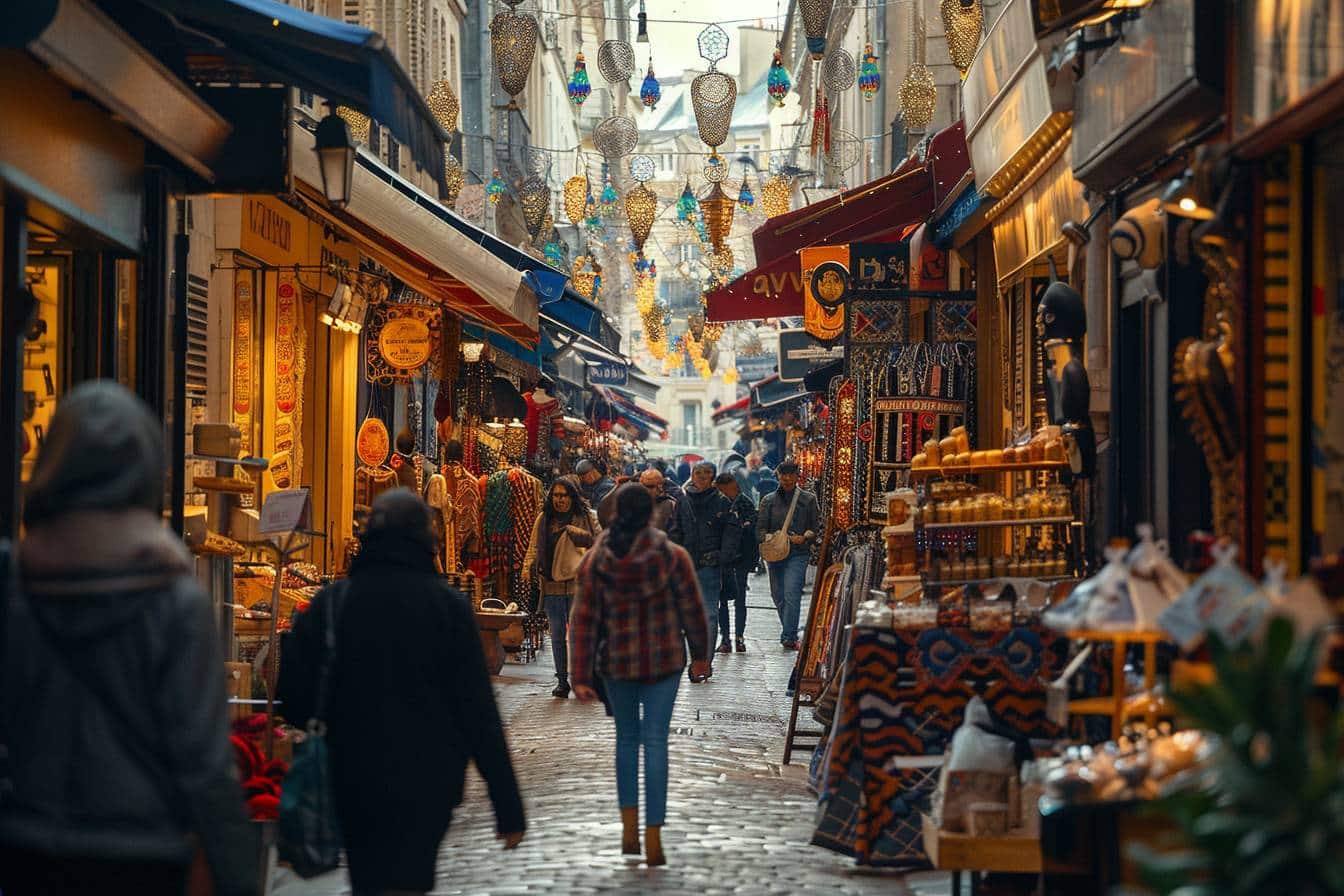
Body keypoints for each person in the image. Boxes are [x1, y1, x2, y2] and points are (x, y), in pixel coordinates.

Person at [0, 381, 254, 896]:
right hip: (144, 854)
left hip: (29, 851)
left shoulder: (17, 584)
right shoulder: (174, 599)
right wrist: (236, 873)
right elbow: (205, 763)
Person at [279, 489, 525, 895]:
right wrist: (507, 804)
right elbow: (477, 709)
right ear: (426, 540)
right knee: (413, 878)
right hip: (429, 779)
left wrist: (330, 720)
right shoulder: (448, 608)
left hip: (353, 773)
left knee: (368, 877)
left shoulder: (333, 604)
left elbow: (293, 694)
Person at [569, 484, 711, 867]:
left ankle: (629, 828)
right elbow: (693, 610)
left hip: (618, 661)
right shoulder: (672, 557)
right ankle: (654, 836)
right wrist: (701, 655)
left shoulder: (599, 560)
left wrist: (579, 673)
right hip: (664, 660)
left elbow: (583, 619)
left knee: (627, 741)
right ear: (652, 514)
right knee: (656, 742)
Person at [522, 478, 598, 698]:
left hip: (578, 583)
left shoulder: (585, 517)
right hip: (552, 585)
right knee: (556, 633)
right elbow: (534, 547)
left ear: (571, 497)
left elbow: (598, 540)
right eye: (555, 495)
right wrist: (527, 567)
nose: (559, 500)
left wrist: (577, 534)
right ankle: (562, 680)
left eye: (563, 495)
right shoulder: (544, 519)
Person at [756, 460, 820, 649]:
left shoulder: (808, 499)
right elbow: (759, 529)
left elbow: (815, 527)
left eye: (791, 475)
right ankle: (789, 629)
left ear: (797, 476)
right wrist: (773, 537)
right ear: (778, 476)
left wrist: (805, 536)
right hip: (775, 554)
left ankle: (789, 636)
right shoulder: (768, 500)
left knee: (792, 593)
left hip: (798, 553)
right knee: (778, 595)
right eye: (784, 475)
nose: (787, 479)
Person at [680, 462, 738, 656]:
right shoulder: (682, 500)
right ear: (692, 475)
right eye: (698, 472)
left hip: (709, 564)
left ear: (713, 476)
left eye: (707, 473)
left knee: (709, 613)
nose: (703, 476)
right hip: (685, 564)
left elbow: (731, 532)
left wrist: (721, 556)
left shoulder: (721, 501)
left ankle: (704, 658)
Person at [715, 472, 757, 654]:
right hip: (723, 558)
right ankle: (725, 638)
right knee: (722, 600)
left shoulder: (745, 503)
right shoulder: (717, 503)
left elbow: (752, 532)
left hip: (740, 558)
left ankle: (739, 637)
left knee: (740, 599)